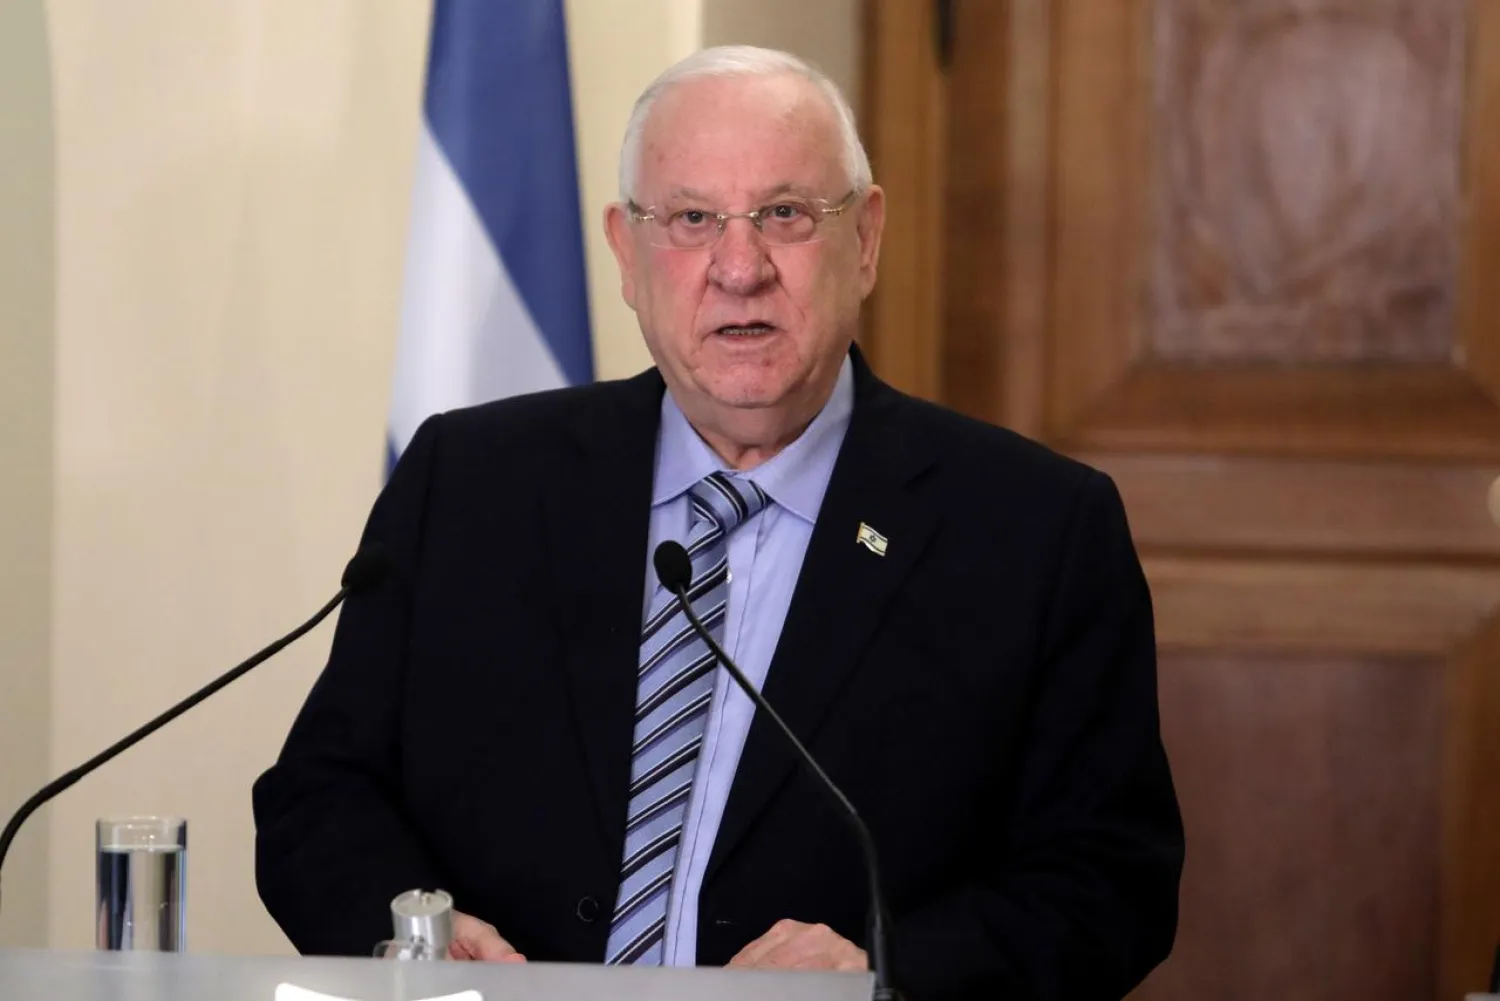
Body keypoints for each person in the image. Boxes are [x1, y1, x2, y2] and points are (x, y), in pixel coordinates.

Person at [252, 45, 1184, 1000]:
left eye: (785, 214)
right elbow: (318, 798)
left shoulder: (1032, 531)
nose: (740, 268)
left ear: (865, 239)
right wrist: (414, 937)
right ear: (625, 250)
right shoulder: (469, 485)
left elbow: (1113, 880)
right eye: (692, 219)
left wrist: (883, 970)